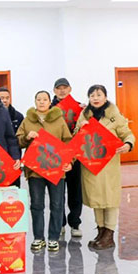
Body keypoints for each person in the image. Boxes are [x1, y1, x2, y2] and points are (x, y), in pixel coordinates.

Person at [76, 85, 134, 250]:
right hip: (91, 164)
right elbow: (75, 137)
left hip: (109, 165)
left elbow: (127, 133)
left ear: (105, 97)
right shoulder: (84, 114)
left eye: (99, 95)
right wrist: (80, 128)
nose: (95, 98)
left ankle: (109, 234)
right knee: (97, 199)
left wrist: (128, 144)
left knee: (110, 199)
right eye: (92, 95)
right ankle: (100, 231)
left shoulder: (114, 115)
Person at [16, 91, 73, 252]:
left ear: (49, 102)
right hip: (35, 170)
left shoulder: (59, 120)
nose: (41, 102)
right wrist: (27, 137)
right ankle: (38, 238)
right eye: (38, 99)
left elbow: (68, 142)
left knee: (57, 204)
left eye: (44, 99)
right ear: (35, 101)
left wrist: (70, 162)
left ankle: (54, 238)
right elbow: (18, 141)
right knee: (36, 204)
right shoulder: (28, 120)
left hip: (56, 170)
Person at [52, 77, 84, 238]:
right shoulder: (49, 108)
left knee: (75, 190)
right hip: (55, 155)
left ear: (70, 89)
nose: (62, 90)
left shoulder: (79, 108)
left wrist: (87, 110)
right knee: (57, 192)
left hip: (75, 154)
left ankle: (75, 223)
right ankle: (60, 223)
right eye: (59, 88)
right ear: (54, 91)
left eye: (65, 88)